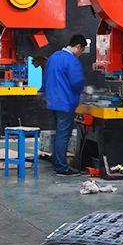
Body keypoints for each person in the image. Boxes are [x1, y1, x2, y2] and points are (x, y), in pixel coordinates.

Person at [42, 34, 87, 177]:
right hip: (65, 104)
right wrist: (84, 92)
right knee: (63, 135)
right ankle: (61, 168)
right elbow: (77, 83)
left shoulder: (53, 57)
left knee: (57, 134)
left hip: (52, 102)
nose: (80, 54)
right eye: (82, 51)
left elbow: (45, 79)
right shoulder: (72, 61)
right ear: (78, 47)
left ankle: (57, 163)